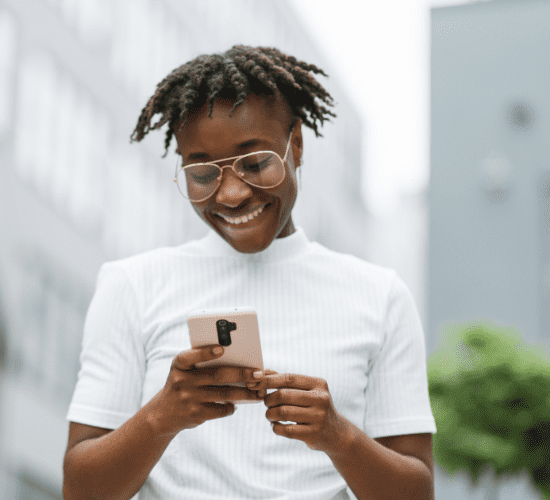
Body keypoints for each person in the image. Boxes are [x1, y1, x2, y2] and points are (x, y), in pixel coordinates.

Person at [63, 45, 436, 500]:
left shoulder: (379, 297)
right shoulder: (133, 285)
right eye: (203, 174)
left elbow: (417, 492)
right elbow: (81, 490)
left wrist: (339, 437)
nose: (233, 193)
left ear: (295, 144)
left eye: (257, 163)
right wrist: (162, 415)